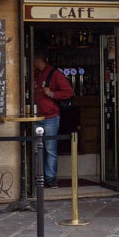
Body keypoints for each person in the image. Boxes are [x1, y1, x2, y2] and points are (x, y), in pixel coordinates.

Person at [33, 50, 74, 188]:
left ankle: (50, 178)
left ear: (38, 59)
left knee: (50, 149)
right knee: (37, 149)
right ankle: (39, 177)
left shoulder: (54, 74)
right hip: (35, 117)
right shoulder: (35, 74)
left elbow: (69, 92)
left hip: (51, 117)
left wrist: (51, 94)